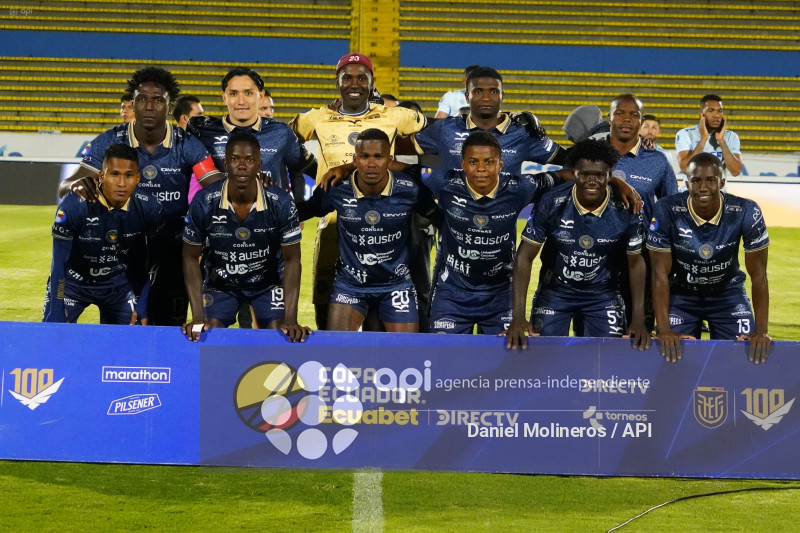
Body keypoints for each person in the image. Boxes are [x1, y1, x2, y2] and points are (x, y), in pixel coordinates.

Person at [60, 66, 222, 326]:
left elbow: (216, 186)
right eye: (142, 99)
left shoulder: (187, 144)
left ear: (169, 107)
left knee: (168, 325)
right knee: (122, 331)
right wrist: (77, 185)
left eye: (157, 100)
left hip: (170, 251)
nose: (149, 106)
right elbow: (66, 185)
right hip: (119, 250)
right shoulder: (109, 140)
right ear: (132, 104)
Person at [288, 52, 427, 330]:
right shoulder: (315, 118)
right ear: (337, 82)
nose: (354, 84)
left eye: (362, 78)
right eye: (347, 78)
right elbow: (281, 148)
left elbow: (440, 135)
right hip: (332, 220)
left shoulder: (393, 115)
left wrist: (354, 167)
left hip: (384, 219)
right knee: (325, 300)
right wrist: (293, 187)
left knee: (381, 306)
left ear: (372, 83)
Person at [506, 139, 649, 350]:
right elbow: (524, 256)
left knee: (607, 356)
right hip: (556, 291)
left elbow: (636, 263)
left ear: (610, 176)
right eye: (585, 174)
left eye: (599, 175)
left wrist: (638, 318)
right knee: (544, 354)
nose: (592, 181)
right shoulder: (551, 201)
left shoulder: (627, 208)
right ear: (574, 174)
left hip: (603, 293)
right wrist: (518, 316)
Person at [296, 129, 436, 332]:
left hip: (396, 285)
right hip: (350, 285)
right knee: (337, 348)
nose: (371, 164)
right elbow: (303, 211)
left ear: (389, 160)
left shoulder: (410, 190)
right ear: (355, 160)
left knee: (404, 350)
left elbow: (439, 217)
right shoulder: (337, 188)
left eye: (378, 156)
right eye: (364, 156)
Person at [425, 131, 564, 334]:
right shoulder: (444, 182)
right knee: (444, 352)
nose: (481, 168)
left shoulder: (520, 188)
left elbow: (565, 175)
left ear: (500, 164)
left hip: (501, 293)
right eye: (473, 162)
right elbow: (406, 171)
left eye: (489, 162)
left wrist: (610, 180)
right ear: (463, 164)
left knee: (509, 352)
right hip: (452, 293)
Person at [182, 132, 309, 342]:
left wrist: (291, 319)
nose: (242, 166)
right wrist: (197, 317)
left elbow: (292, 259)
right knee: (207, 334)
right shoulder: (204, 201)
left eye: (249, 160)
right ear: (226, 164)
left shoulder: (281, 202)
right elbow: (189, 257)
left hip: (267, 284)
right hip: (220, 283)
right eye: (235, 159)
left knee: (280, 336)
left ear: (259, 165)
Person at [647, 153, 770, 364]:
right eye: (696, 181)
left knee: (741, 358)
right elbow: (659, 274)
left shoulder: (746, 211)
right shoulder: (666, 209)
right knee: (670, 357)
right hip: (682, 294)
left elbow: (759, 275)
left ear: (722, 182)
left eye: (710, 180)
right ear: (687, 184)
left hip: (728, 294)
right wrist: (664, 329)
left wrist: (761, 331)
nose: (703, 187)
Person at [43, 144, 163, 324]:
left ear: (138, 178)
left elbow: (152, 262)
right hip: (73, 283)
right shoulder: (73, 206)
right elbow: (59, 263)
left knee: (136, 333)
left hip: (119, 286)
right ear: (101, 176)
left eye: (129, 175)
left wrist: (143, 303)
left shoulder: (149, 208)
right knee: (54, 332)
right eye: (114, 174)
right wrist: (56, 310)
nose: (121, 183)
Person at [414, 66, 567, 181]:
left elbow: (568, 160)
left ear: (502, 96)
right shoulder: (444, 129)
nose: (486, 97)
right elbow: (404, 151)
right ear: (467, 96)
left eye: (493, 91)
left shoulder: (523, 133)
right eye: (478, 91)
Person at [188, 67, 314, 196]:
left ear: (260, 96)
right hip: (218, 209)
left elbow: (311, 169)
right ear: (224, 97)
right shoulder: (203, 132)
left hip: (270, 209)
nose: (241, 101)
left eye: (248, 93)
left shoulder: (280, 132)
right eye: (233, 94)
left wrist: (306, 205)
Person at [675, 94, 742, 177]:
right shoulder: (685, 134)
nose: (716, 115)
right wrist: (703, 139)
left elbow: (735, 171)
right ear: (701, 114)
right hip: (692, 186)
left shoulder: (731, 136)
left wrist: (721, 141)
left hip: (719, 186)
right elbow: (685, 169)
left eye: (719, 111)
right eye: (711, 111)